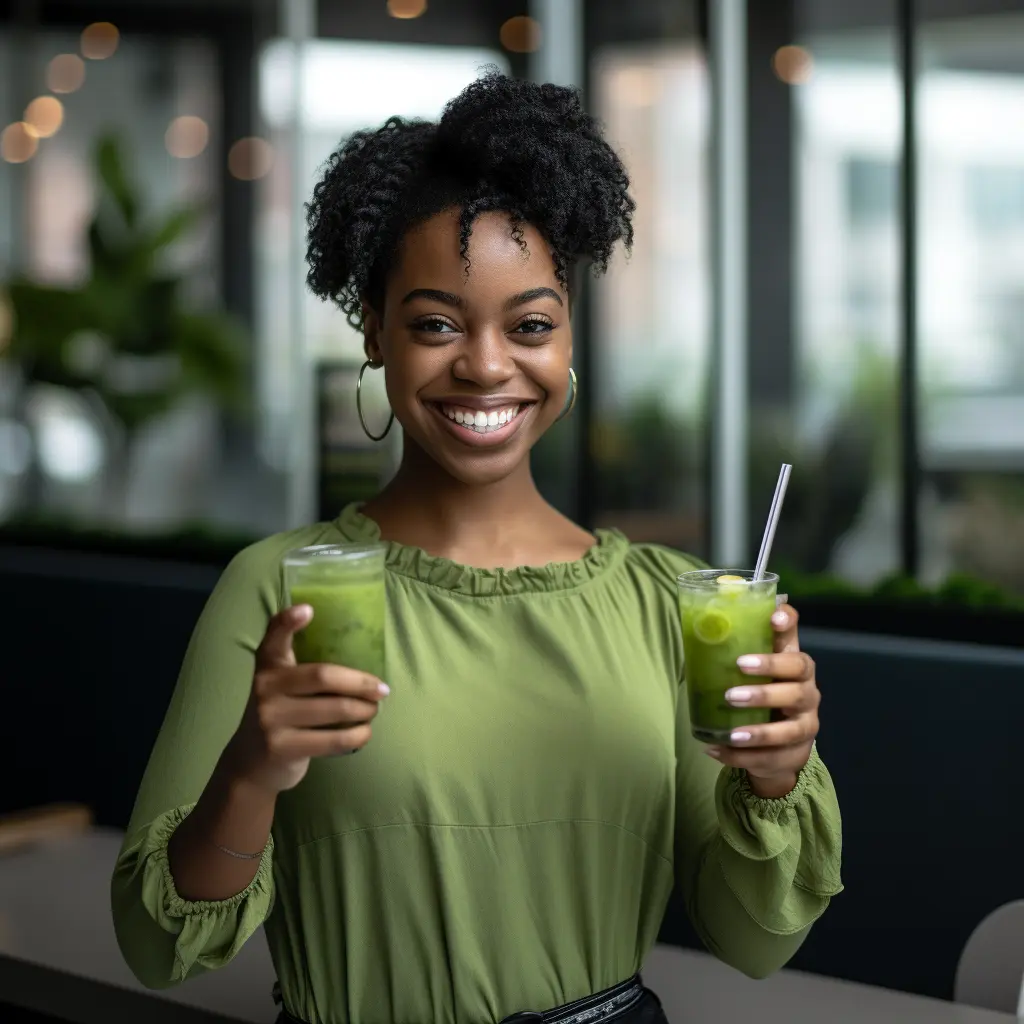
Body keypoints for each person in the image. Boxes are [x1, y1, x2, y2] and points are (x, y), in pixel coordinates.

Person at [110, 70, 842, 1024]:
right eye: (435, 324)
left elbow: (756, 940)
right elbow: (159, 949)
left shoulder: (673, 606)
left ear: (568, 336)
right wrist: (251, 770)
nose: (488, 364)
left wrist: (776, 777)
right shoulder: (279, 591)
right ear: (374, 330)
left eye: (530, 323)